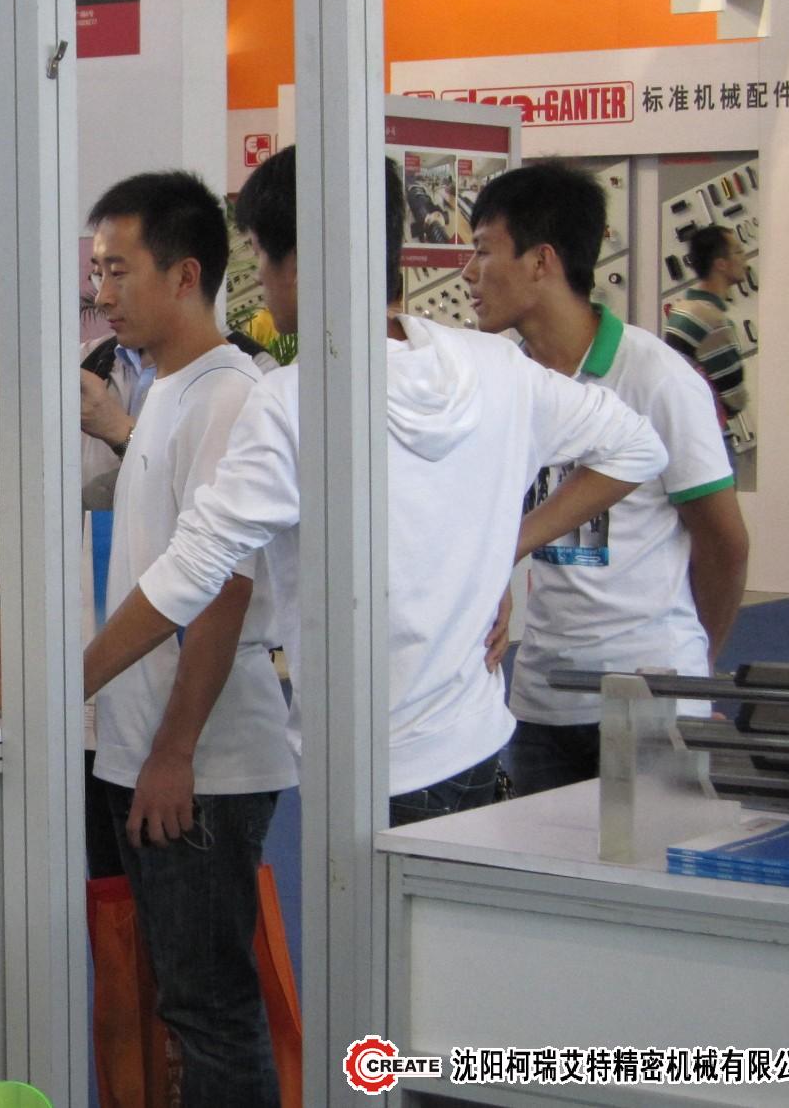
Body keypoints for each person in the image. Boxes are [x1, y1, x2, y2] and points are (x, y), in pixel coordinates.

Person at [64, 145, 669, 827]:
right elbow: (637, 448)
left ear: (303, 262)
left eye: (260, 255)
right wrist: (506, 543)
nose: (259, 280)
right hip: (472, 744)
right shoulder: (492, 367)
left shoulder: (294, 399)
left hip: (365, 763)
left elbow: (196, 569)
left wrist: (65, 689)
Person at [84, 170, 298, 1106]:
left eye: (119, 269)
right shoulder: (164, 387)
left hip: (202, 761)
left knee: (210, 1009)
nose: (102, 291)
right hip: (145, 747)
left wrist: (174, 752)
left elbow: (225, 592)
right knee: (180, 1000)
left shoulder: (229, 396)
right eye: (97, 270)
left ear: (185, 275)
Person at [465, 164, 748, 796]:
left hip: (648, 693)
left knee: (647, 860)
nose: (468, 273)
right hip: (540, 699)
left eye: (483, 250)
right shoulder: (502, 379)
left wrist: (690, 673)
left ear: (542, 261)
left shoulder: (658, 379)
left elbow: (724, 543)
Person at [664, 224, 756, 454]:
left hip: (685, 434)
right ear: (721, 264)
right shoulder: (711, 320)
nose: (744, 259)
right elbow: (734, 397)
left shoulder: (683, 308)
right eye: (738, 251)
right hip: (708, 438)